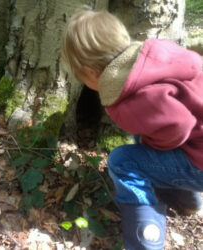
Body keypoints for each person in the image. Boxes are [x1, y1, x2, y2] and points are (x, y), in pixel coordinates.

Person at [61, 10, 203, 250]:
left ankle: (144, 240)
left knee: (123, 161)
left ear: (91, 73)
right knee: (147, 134)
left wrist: (156, 148)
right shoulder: (159, 53)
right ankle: (186, 198)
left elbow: (180, 125)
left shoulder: (129, 102)